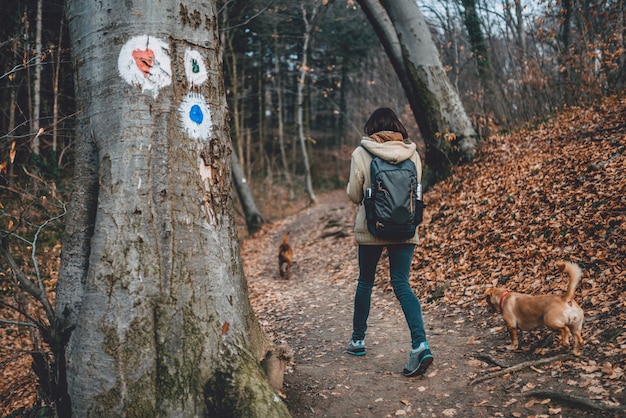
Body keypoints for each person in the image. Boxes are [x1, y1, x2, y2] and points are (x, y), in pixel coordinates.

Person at [345, 107, 433, 377]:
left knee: (365, 282)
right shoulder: (412, 153)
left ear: (371, 127)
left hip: (372, 228)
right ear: (397, 127)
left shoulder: (361, 153)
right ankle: (420, 344)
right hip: (405, 229)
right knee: (402, 284)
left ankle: (358, 341)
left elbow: (353, 194)